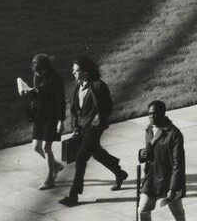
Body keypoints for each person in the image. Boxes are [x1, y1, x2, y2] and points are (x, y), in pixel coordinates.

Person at [59, 56, 128, 206]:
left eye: (75, 70)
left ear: (85, 72)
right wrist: (75, 127)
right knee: (96, 153)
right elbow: (75, 110)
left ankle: (73, 195)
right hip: (83, 128)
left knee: (81, 158)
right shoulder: (78, 86)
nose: (73, 73)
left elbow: (107, 107)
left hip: (93, 129)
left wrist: (97, 122)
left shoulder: (98, 86)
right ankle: (119, 173)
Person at [130, 100, 188, 221]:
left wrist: (173, 188)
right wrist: (143, 155)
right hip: (152, 179)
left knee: (177, 212)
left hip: (169, 180)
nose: (152, 117)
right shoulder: (148, 130)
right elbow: (150, 154)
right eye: (149, 113)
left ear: (163, 113)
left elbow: (179, 164)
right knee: (142, 210)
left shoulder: (174, 134)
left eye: (155, 113)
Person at [23, 53, 66, 190]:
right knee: (36, 147)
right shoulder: (38, 75)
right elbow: (38, 93)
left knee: (47, 147)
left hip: (52, 117)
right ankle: (56, 166)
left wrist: (61, 121)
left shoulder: (55, 79)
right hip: (40, 116)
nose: (36, 73)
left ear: (45, 67)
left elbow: (61, 101)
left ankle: (50, 180)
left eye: (39, 70)